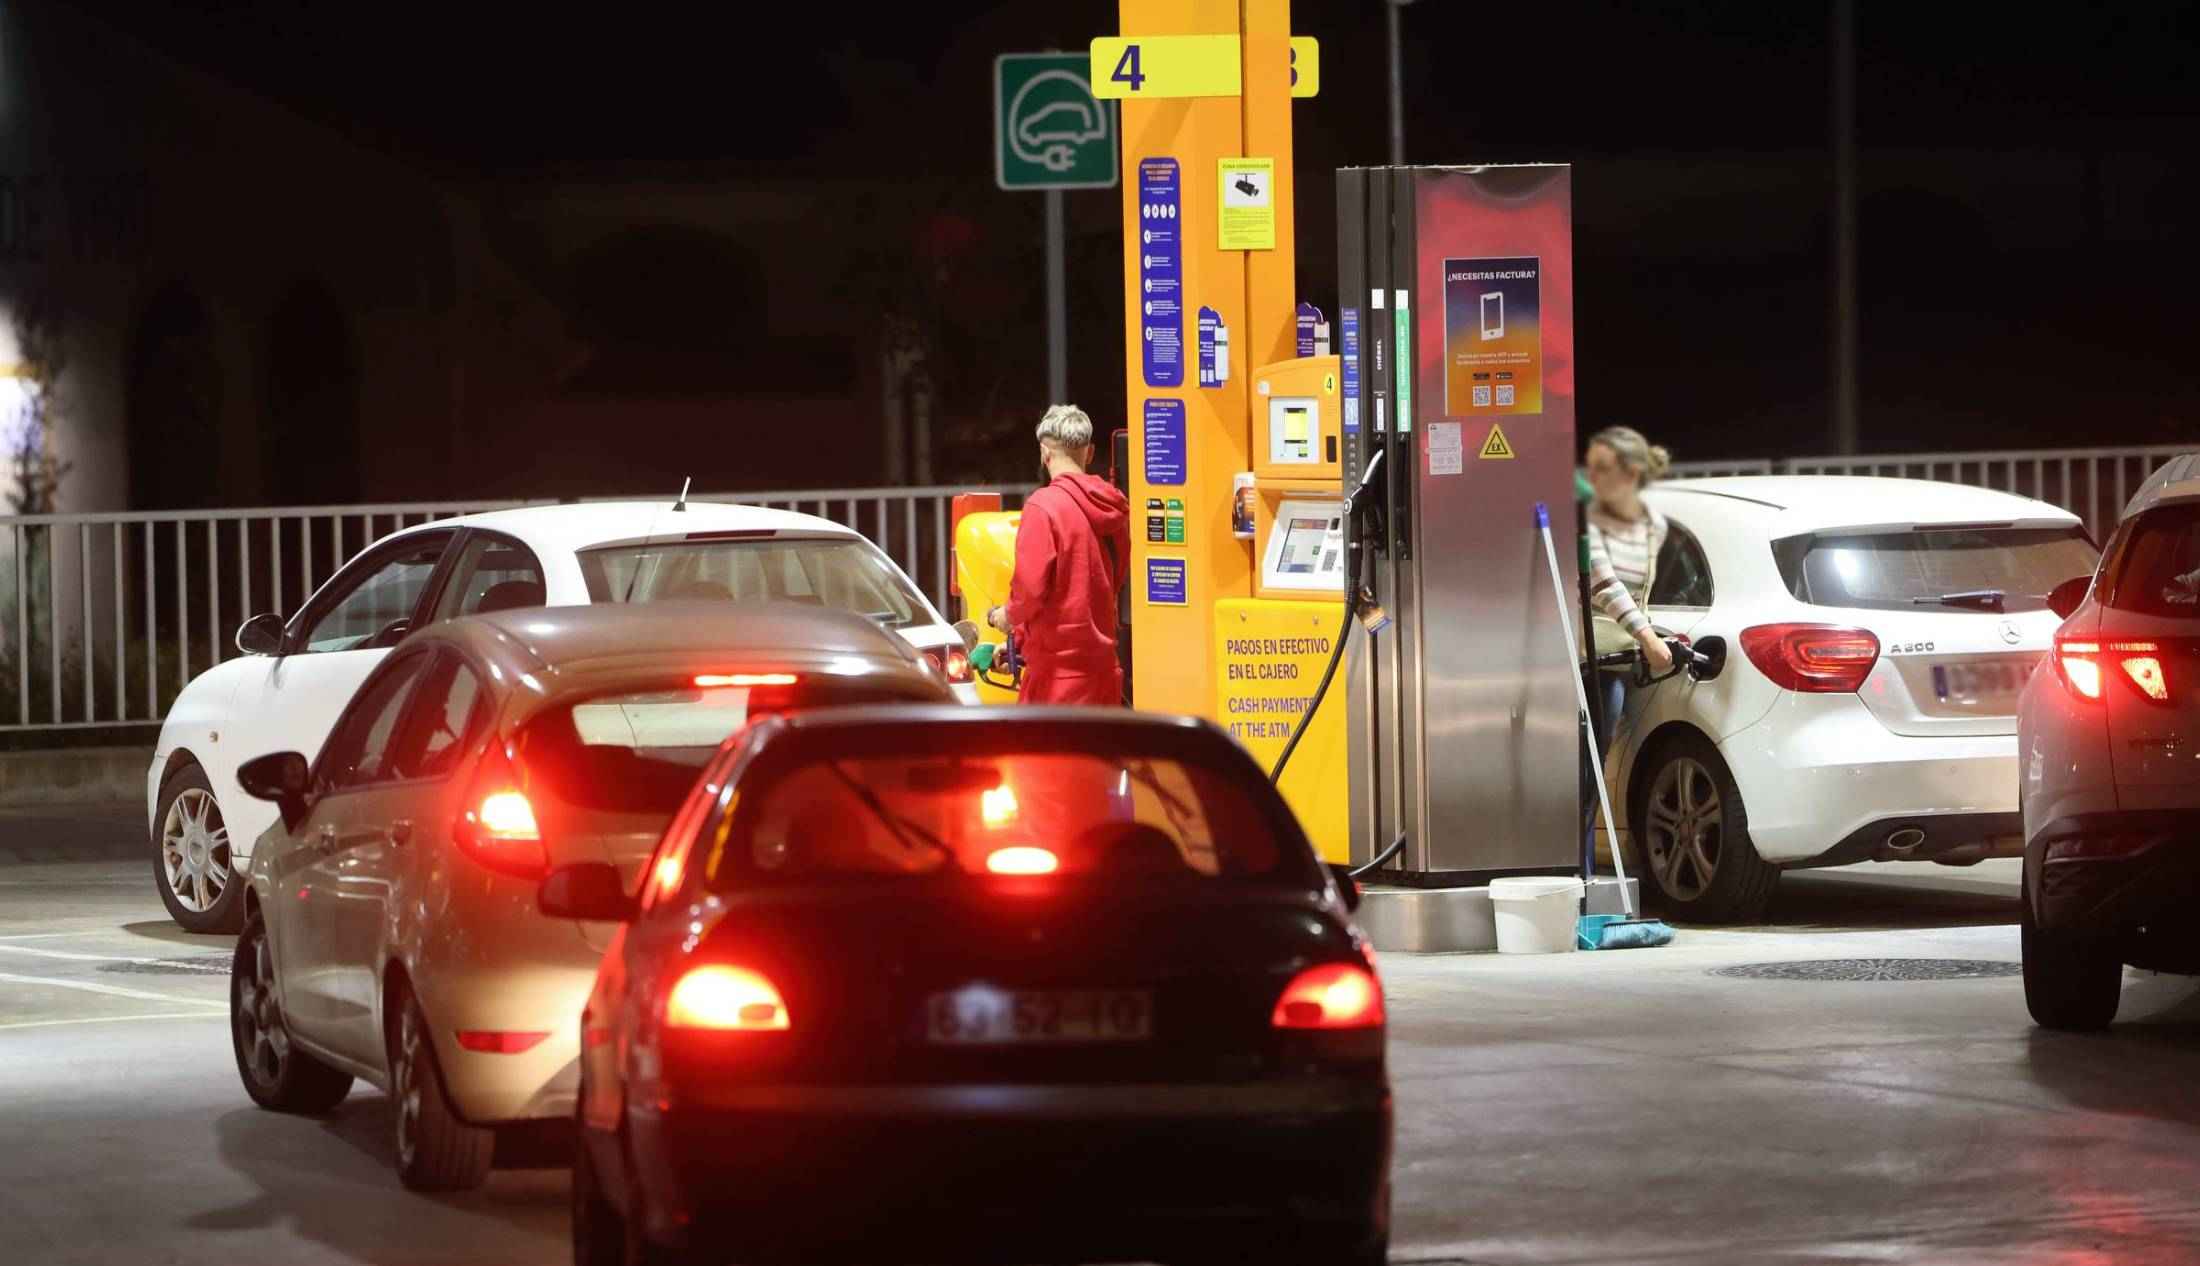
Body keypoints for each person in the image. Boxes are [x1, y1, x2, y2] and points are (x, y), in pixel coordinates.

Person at [987, 405, 1130, 706]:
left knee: (1037, 754)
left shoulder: (1043, 507)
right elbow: (1111, 583)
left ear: (1044, 453)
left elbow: (1030, 592)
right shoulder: (1115, 509)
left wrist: (1006, 617)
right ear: (1089, 453)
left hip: (1057, 682)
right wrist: (1023, 643)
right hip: (1104, 673)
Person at [1581, 426, 1672, 860]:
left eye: (1603, 468)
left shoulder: (1651, 525)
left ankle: (1582, 877)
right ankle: (1577, 880)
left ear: (1632, 473)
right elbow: (1603, 583)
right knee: (1586, 773)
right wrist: (1648, 636)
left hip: (1621, 659)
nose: (1591, 476)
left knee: (1597, 771)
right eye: (1590, 466)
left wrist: (1651, 635)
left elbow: (1640, 591)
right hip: (1587, 657)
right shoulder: (1588, 520)